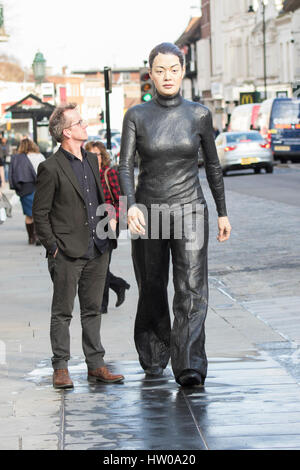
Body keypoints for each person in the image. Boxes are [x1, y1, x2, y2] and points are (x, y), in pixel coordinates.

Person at [119, 43, 231, 387]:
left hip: (191, 211)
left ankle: (189, 364)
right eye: (160, 70)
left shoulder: (198, 114)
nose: (167, 76)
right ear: (150, 74)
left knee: (192, 289)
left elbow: (212, 165)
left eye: (174, 69)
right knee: (152, 286)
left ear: (183, 71)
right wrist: (130, 204)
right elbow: (124, 165)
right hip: (149, 212)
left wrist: (222, 212)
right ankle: (154, 355)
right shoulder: (137, 116)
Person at [32, 103, 124, 389]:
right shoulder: (50, 167)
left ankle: (96, 365)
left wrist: (109, 227)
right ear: (67, 131)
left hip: (98, 248)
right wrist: (53, 248)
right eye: (80, 122)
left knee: (93, 309)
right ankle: (60, 367)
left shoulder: (93, 161)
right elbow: (40, 213)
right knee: (62, 312)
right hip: (67, 252)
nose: (85, 125)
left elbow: (100, 198)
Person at [85, 140, 130, 314]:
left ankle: (101, 305)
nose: (93, 158)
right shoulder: (85, 174)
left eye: (96, 154)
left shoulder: (109, 173)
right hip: (90, 224)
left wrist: (115, 219)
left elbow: (121, 200)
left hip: (108, 223)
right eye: (89, 154)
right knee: (94, 264)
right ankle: (118, 285)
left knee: (101, 263)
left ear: (102, 156)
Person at [8, 138, 45, 245]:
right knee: (38, 213)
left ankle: (31, 237)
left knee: (29, 215)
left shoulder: (16, 158)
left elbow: (12, 173)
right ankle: (38, 237)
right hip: (39, 187)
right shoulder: (39, 156)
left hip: (24, 189)